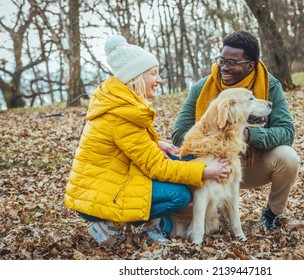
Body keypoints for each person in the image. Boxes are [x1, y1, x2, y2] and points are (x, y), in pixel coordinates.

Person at [64, 35, 231, 247]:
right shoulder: (122, 114)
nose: (159, 79)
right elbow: (157, 167)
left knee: (179, 157)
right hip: (97, 198)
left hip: (104, 185)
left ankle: (152, 219)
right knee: (178, 194)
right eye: (153, 74)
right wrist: (204, 171)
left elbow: (127, 144)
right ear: (135, 78)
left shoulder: (122, 103)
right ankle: (111, 224)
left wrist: (156, 143)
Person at [172, 30, 300, 231]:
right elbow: (179, 135)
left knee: (288, 157)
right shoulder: (201, 88)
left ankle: (271, 215)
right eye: (222, 60)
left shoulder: (270, 86)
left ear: (250, 65)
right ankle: (214, 212)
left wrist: (247, 135)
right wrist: (215, 141)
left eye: (232, 63)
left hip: (252, 165)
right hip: (211, 166)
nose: (224, 67)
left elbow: (286, 131)